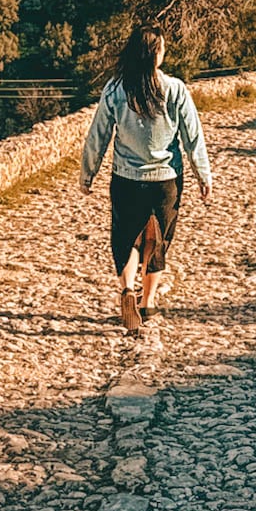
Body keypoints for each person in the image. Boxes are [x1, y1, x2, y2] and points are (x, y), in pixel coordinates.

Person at [79, 24, 212, 333]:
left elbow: (97, 135)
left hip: (126, 179)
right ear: (155, 54)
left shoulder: (115, 89)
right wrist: (203, 174)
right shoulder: (175, 89)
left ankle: (127, 288)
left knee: (126, 238)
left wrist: (88, 173)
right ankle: (147, 303)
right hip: (166, 181)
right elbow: (193, 137)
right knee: (156, 242)